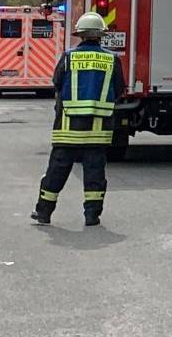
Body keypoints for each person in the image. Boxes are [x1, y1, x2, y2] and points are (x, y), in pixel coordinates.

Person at [34, 12, 123, 227]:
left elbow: (57, 82)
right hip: (97, 131)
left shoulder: (69, 57)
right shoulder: (112, 59)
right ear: (101, 36)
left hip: (67, 130)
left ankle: (44, 213)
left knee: (57, 171)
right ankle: (92, 215)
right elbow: (119, 89)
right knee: (94, 175)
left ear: (80, 35)